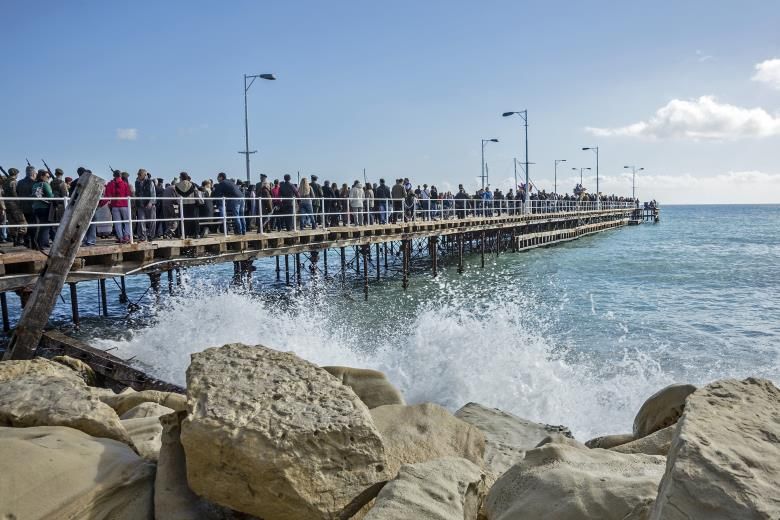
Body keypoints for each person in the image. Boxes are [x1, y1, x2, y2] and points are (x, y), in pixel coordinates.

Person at [105, 170, 132, 243]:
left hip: (115, 206)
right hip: (124, 205)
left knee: (117, 223)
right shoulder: (125, 184)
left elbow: (107, 195)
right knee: (127, 222)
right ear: (120, 175)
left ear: (114, 176)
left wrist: (101, 204)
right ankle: (126, 236)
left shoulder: (110, 184)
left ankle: (120, 238)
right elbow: (128, 194)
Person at [2, 168, 27, 246]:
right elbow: (15, 193)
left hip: (7, 204)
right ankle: (20, 239)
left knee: (12, 222)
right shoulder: (14, 182)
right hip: (14, 205)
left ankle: (15, 240)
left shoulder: (5, 182)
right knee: (22, 222)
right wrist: (20, 202)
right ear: (15, 174)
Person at [31, 169, 53, 249]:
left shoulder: (35, 185)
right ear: (42, 176)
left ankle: (36, 244)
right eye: (47, 176)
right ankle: (44, 245)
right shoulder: (45, 184)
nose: (48, 178)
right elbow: (50, 196)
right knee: (45, 227)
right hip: (44, 207)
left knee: (38, 227)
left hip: (35, 207)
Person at [16, 166, 36, 248]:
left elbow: (17, 192)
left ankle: (27, 242)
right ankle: (33, 243)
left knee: (26, 224)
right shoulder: (34, 182)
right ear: (33, 173)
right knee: (33, 225)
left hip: (22, 206)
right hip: (32, 206)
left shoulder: (20, 182)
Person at [174, 172, 199, 238]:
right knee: (194, 219)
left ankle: (183, 234)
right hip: (192, 203)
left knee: (183, 220)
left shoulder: (177, 185)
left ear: (181, 177)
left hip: (182, 204)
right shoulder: (192, 184)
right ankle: (196, 234)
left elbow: (177, 194)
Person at [134, 169, 156, 241]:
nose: (138, 175)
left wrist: (151, 202)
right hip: (140, 204)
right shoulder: (137, 182)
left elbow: (153, 193)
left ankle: (151, 235)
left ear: (144, 175)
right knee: (141, 220)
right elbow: (136, 193)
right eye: (138, 174)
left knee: (151, 220)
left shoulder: (150, 182)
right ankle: (143, 236)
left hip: (149, 204)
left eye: (140, 174)